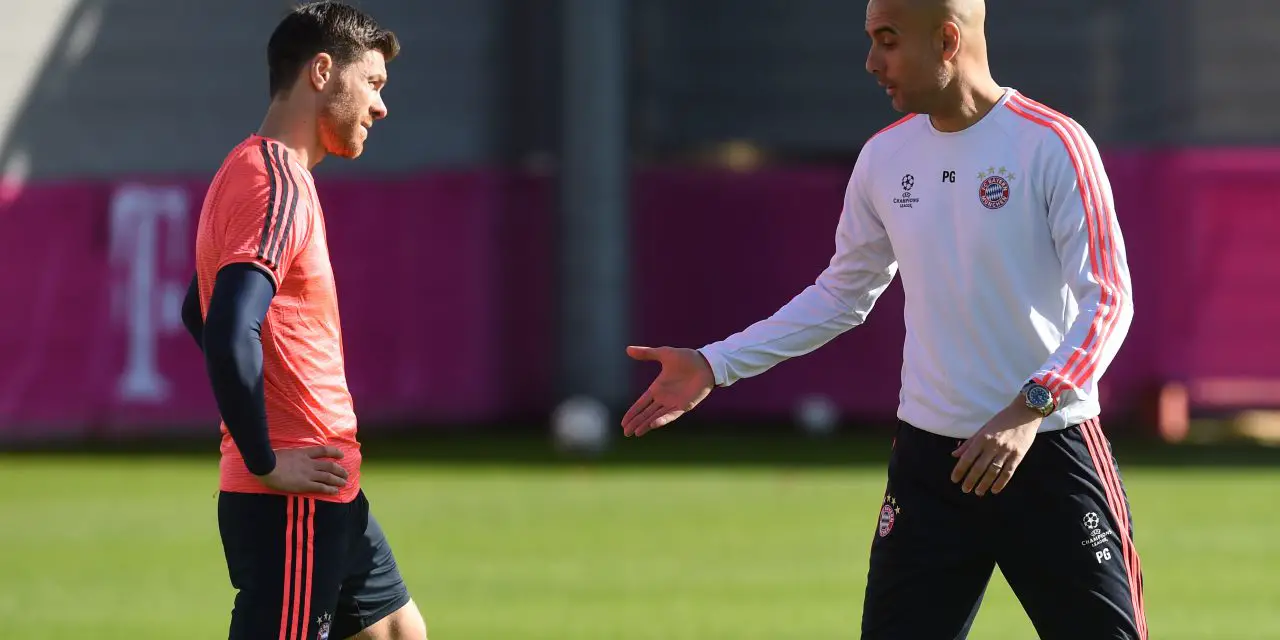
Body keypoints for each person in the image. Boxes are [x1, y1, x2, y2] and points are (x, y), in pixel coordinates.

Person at [621, 0, 1146, 637]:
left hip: (1047, 450)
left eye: (889, 41)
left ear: (947, 40)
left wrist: (1031, 405)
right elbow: (842, 295)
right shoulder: (884, 157)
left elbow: (1108, 299)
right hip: (931, 467)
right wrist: (715, 364)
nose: (872, 63)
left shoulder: (1052, 143)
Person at [180, 3, 427, 639]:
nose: (381, 107)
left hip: (326, 484)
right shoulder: (275, 184)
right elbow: (227, 328)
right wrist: (266, 458)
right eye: (373, 83)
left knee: (398, 632)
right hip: (293, 497)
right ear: (321, 71)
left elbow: (196, 309)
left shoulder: (256, 171)